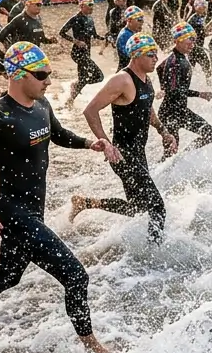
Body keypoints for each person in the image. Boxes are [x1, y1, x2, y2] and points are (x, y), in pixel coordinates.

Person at [0, 42, 112, 353]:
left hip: (34, 209)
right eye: (42, 75)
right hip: (14, 214)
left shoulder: (41, 104)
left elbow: (57, 134)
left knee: (7, 276)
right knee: (76, 276)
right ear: (18, 75)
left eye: (49, 74)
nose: (49, 80)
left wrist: (89, 143)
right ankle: (94, 348)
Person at [70, 34, 174, 244]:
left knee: (137, 207)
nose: (156, 58)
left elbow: (147, 110)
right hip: (122, 154)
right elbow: (90, 111)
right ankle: (154, 253)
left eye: (156, 53)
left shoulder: (146, 79)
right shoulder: (122, 80)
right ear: (136, 55)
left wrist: (163, 131)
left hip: (138, 153)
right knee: (157, 206)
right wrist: (106, 143)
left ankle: (85, 203)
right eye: (150, 54)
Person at [157, 21, 212, 157]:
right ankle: (174, 162)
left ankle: (182, 157)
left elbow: (159, 68)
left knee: (210, 134)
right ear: (177, 40)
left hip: (179, 111)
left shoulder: (177, 58)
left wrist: (164, 87)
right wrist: (199, 94)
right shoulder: (175, 62)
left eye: (194, 39)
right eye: (189, 39)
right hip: (171, 113)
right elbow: (175, 90)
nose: (192, 43)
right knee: (170, 153)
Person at [59, 0, 106, 108]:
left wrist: (104, 38)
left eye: (92, 5)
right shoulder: (75, 18)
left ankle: (71, 98)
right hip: (78, 53)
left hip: (86, 52)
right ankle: (75, 86)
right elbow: (62, 32)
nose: (92, 7)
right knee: (99, 76)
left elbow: (94, 35)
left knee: (83, 78)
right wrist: (76, 41)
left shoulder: (90, 19)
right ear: (81, 6)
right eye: (89, 5)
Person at [114, 5, 145, 71]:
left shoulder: (133, 32)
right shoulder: (125, 35)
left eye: (142, 19)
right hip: (126, 71)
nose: (142, 22)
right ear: (129, 20)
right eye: (139, 20)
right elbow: (129, 55)